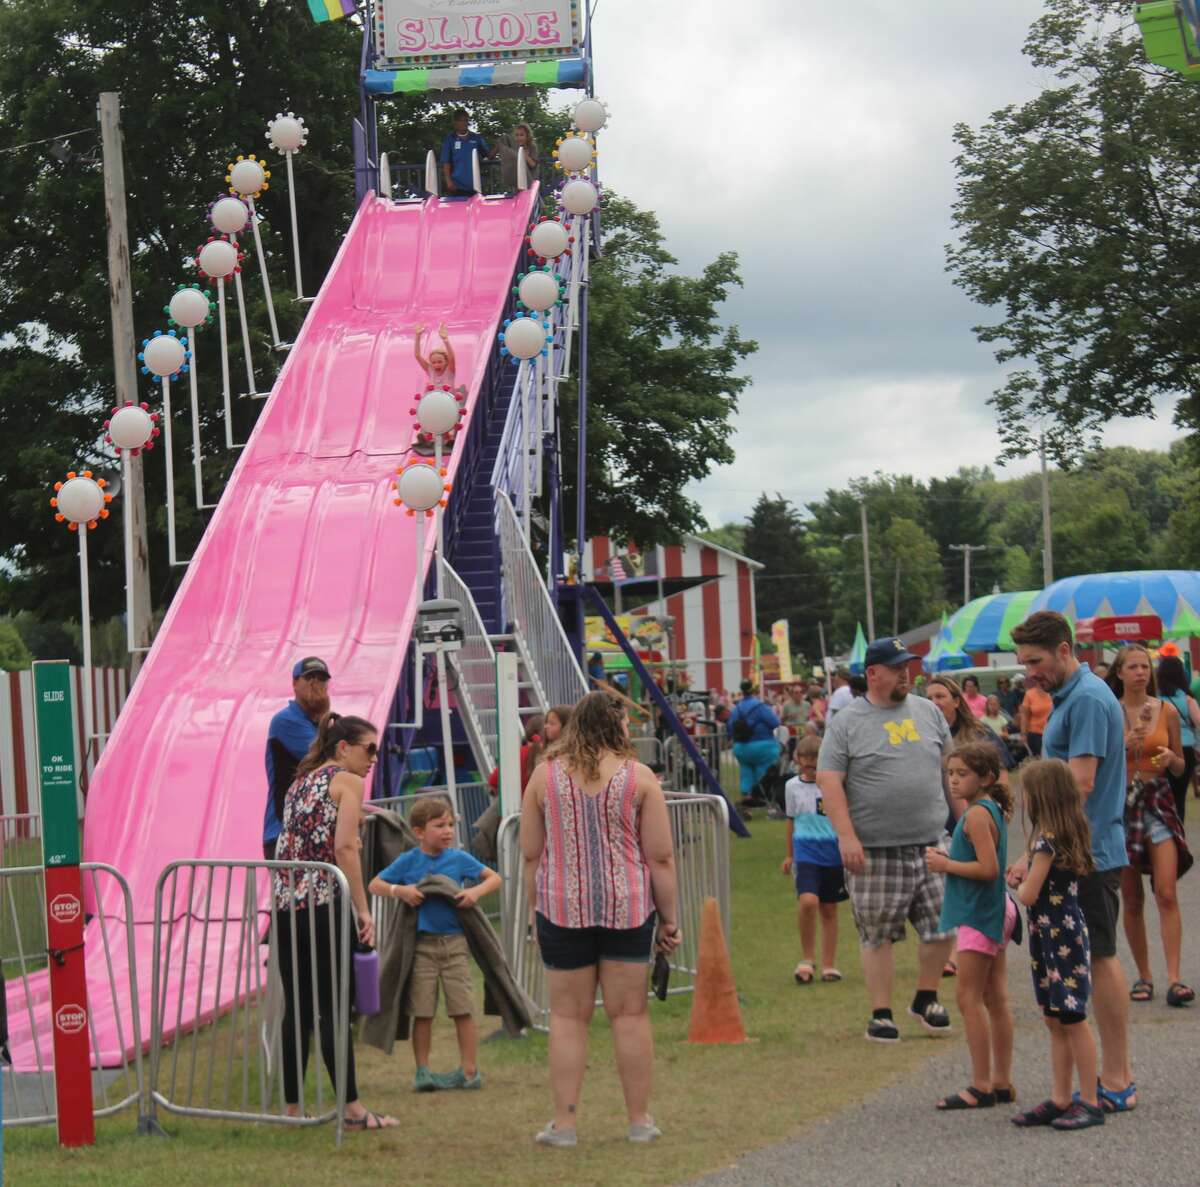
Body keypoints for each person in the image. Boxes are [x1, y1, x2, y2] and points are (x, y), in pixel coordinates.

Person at [520, 691, 682, 1146]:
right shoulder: (641, 778)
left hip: (561, 906)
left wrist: (536, 910)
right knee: (630, 1014)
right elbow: (661, 857)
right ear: (616, 726)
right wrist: (668, 918)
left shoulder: (543, 777)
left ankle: (566, 1125)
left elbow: (531, 853)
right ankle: (639, 1120)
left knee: (569, 1018)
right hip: (627, 906)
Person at [1008, 611, 1136, 1113]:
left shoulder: (1084, 698)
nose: (1029, 673)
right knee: (1083, 962)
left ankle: (1118, 1077)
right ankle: (1095, 1079)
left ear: (1065, 650)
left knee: (1100, 957)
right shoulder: (1067, 698)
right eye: (1023, 664)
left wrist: (1032, 850)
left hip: (1090, 855)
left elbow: (1079, 786)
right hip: (1074, 853)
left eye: (1035, 661)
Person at [817, 636, 955, 1044]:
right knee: (878, 932)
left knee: (943, 925)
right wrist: (846, 836)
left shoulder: (929, 711)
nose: (905, 673)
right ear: (873, 674)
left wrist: (964, 826)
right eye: (896, 668)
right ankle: (881, 1013)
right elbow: (830, 781)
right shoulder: (846, 723)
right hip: (874, 848)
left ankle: (926, 997)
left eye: (907, 666)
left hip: (931, 842)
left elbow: (951, 770)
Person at [273, 712, 397, 1130]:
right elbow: (345, 849)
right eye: (369, 749)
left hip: (286, 906)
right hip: (325, 903)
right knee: (333, 1007)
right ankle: (352, 1108)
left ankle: (292, 1108)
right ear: (343, 748)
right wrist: (363, 909)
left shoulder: (298, 784)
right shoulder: (348, 781)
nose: (373, 759)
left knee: (298, 1010)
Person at [369, 795, 503, 1091]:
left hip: (455, 946)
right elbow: (374, 884)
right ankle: (423, 1071)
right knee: (424, 1011)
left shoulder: (458, 859)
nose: (448, 831)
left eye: (451, 825)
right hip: (422, 948)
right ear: (418, 832)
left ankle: (469, 1070)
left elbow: (494, 878)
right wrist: (399, 890)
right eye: (439, 825)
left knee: (462, 1009)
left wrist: (475, 893)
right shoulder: (409, 861)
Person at [1011, 759, 1104, 1131]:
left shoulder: (1047, 841)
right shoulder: (1052, 835)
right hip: (1049, 936)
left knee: (1073, 1017)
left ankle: (1090, 1101)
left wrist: (1015, 885)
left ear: (1042, 797)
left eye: (1028, 793)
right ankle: (1061, 1096)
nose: (1024, 800)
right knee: (1054, 1017)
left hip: (1059, 934)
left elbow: (1030, 894)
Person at [924, 743, 1015, 1110]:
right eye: (950, 773)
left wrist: (946, 865)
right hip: (995, 909)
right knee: (995, 998)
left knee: (968, 997)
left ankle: (980, 1085)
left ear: (987, 778)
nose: (954, 780)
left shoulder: (978, 814)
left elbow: (987, 869)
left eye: (963, 774)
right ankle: (1002, 1080)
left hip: (980, 913)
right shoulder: (987, 810)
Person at [1105, 647, 1194, 1008]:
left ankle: (1174, 978)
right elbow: (1098, 762)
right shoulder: (1109, 711)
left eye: (1145, 666)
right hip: (1122, 804)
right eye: (1133, 667)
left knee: (1167, 891)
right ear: (1120, 673)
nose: (1141, 672)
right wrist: (1125, 744)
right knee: (1131, 897)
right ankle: (1144, 975)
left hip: (1158, 801)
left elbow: (1180, 766)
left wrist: (1173, 758)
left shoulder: (1167, 711)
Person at [781, 735, 846, 985]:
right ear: (798, 760)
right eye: (806, 762)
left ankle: (829, 964)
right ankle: (807, 957)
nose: (810, 768)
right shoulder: (792, 787)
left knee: (829, 908)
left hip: (833, 851)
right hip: (806, 850)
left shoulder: (835, 784)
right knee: (808, 901)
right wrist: (789, 854)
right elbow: (790, 820)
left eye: (815, 763)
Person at [263, 657, 331, 861]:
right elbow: (329, 760)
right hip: (284, 834)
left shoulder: (318, 724)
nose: (315, 684)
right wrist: (326, 713)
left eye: (321, 679)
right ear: (294, 683)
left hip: (311, 834)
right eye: (309, 677)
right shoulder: (286, 720)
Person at [1157, 655, 1200, 819]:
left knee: (1161, 795)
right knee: (1179, 797)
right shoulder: (1187, 699)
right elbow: (1198, 722)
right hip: (1186, 749)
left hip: (1160, 749)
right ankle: (1178, 830)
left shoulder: (1155, 698)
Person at [728, 680, 781, 811]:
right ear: (753, 691)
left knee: (746, 772)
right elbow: (775, 722)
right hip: (764, 746)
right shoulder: (761, 707)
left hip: (741, 747)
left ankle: (746, 801)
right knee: (763, 773)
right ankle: (765, 800)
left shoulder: (737, 708)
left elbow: (730, 727)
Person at [439, 108, 494, 196]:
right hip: (457, 186)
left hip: (476, 186)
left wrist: (499, 145)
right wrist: (448, 181)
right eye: (461, 120)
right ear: (455, 123)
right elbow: (446, 162)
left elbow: (488, 155)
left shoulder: (476, 138)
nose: (465, 123)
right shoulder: (450, 139)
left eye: (466, 120)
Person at [496, 122, 539, 191]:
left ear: (527, 136)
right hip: (518, 183)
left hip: (531, 182)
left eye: (521, 135)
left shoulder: (532, 146)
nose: (519, 138)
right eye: (516, 135)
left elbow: (533, 164)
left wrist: (522, 153)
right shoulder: (515, 147)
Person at [1018, 680, 1053, 758]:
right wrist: (1023, 734)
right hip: (1035, 733)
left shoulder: (1054, 692)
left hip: (1052, 732)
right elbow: (1024, 716)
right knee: (1041, 758)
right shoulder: (1029, 694)